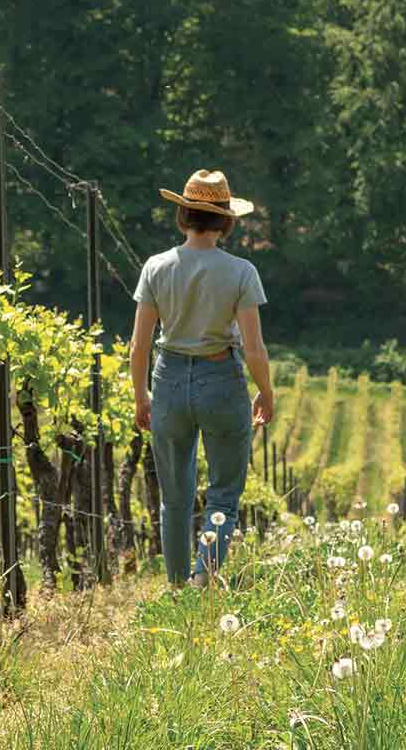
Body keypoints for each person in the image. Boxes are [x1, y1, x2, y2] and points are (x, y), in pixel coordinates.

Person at [130, 169, 275, 589]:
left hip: (169, 379)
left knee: (173, 496)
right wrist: (266, 393)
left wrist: (142, 397)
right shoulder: (242, 271)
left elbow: (139, 346)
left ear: (182, 216)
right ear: (226, 220)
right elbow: (253, 348)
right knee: (224, 494)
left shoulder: (156, 267)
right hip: (222, 382)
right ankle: (202, 578)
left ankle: (176, 587)